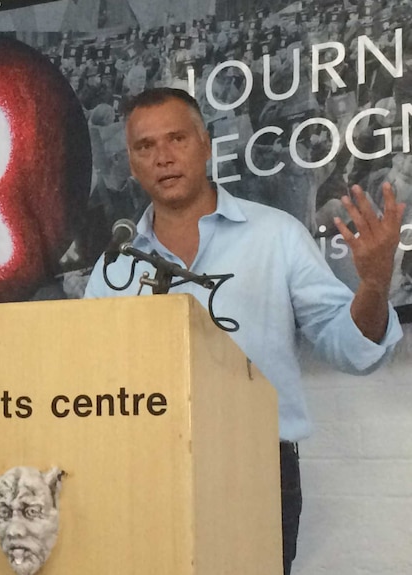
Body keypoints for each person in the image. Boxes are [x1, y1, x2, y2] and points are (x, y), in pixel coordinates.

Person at [83, 88, 404, 575]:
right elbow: (87, 380)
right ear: (130, 163)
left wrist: (375, 285)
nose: (163, 157)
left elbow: (350, 348)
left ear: (206, 145)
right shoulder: (115, 264)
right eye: (145, 146)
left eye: (177, 139)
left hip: (258, 471)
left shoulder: (275, 236)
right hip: (144, 473)